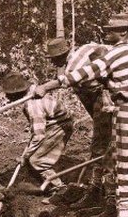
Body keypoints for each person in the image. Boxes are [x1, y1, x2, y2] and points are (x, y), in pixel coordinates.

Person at [33, 12, 128, 217]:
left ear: (123, 31)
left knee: (123, 164)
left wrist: (46, 86)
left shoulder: (113, 55)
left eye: (111, 31)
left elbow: (82, 74)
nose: (107, 34)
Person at [45, 36, 113, 204]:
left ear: (61, 55)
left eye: (53, 59)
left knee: (101, 148)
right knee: (103, 145)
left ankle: (98, 192)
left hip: (106, 99)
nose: (52, 62)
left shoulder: (73, 67)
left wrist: (44, 87)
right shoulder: (86, 48)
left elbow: (67, 81)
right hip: (105, 98)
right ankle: (100, 189)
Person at [2, 72, 74, 192]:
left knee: (37, 160)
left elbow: (39, 136)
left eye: (9, 95)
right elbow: (37, 130)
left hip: (60, 125)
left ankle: (60, 188)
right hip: (51, 123)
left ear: (16, 93)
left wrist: (25, 157)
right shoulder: (32, 91)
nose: (7, 97)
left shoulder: (33, 106)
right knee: (36, 154)